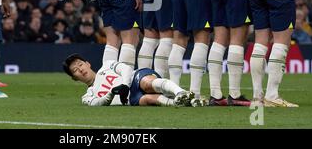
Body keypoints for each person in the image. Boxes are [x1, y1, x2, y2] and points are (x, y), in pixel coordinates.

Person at [62, 53, 207, 107]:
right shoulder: (88, 95)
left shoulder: (107, 65)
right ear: (75, 78)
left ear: (88, 64)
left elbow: (126, 69)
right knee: (147, 99)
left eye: (80, 64)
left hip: (135, 79)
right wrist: (112, 93)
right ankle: (185, 102)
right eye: (75, 70)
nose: (80, 69)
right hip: (131, 99)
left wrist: (124, 85)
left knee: (147, 83)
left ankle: (181, 92)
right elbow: (98, 103)